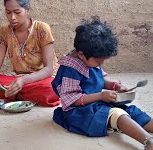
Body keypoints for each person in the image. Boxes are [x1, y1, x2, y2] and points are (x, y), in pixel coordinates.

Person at [52, 16, 153, 149]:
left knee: (133, 112)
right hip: (79, 111)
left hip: (97, 103)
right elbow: (73, 100)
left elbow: (100, 80)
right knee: (117, 115)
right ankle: (148, 142)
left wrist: (115, 86)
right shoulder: (70, 70)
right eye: (99, 61)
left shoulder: (90, 58)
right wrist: (100, 96)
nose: (101, 64)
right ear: (82, 55)